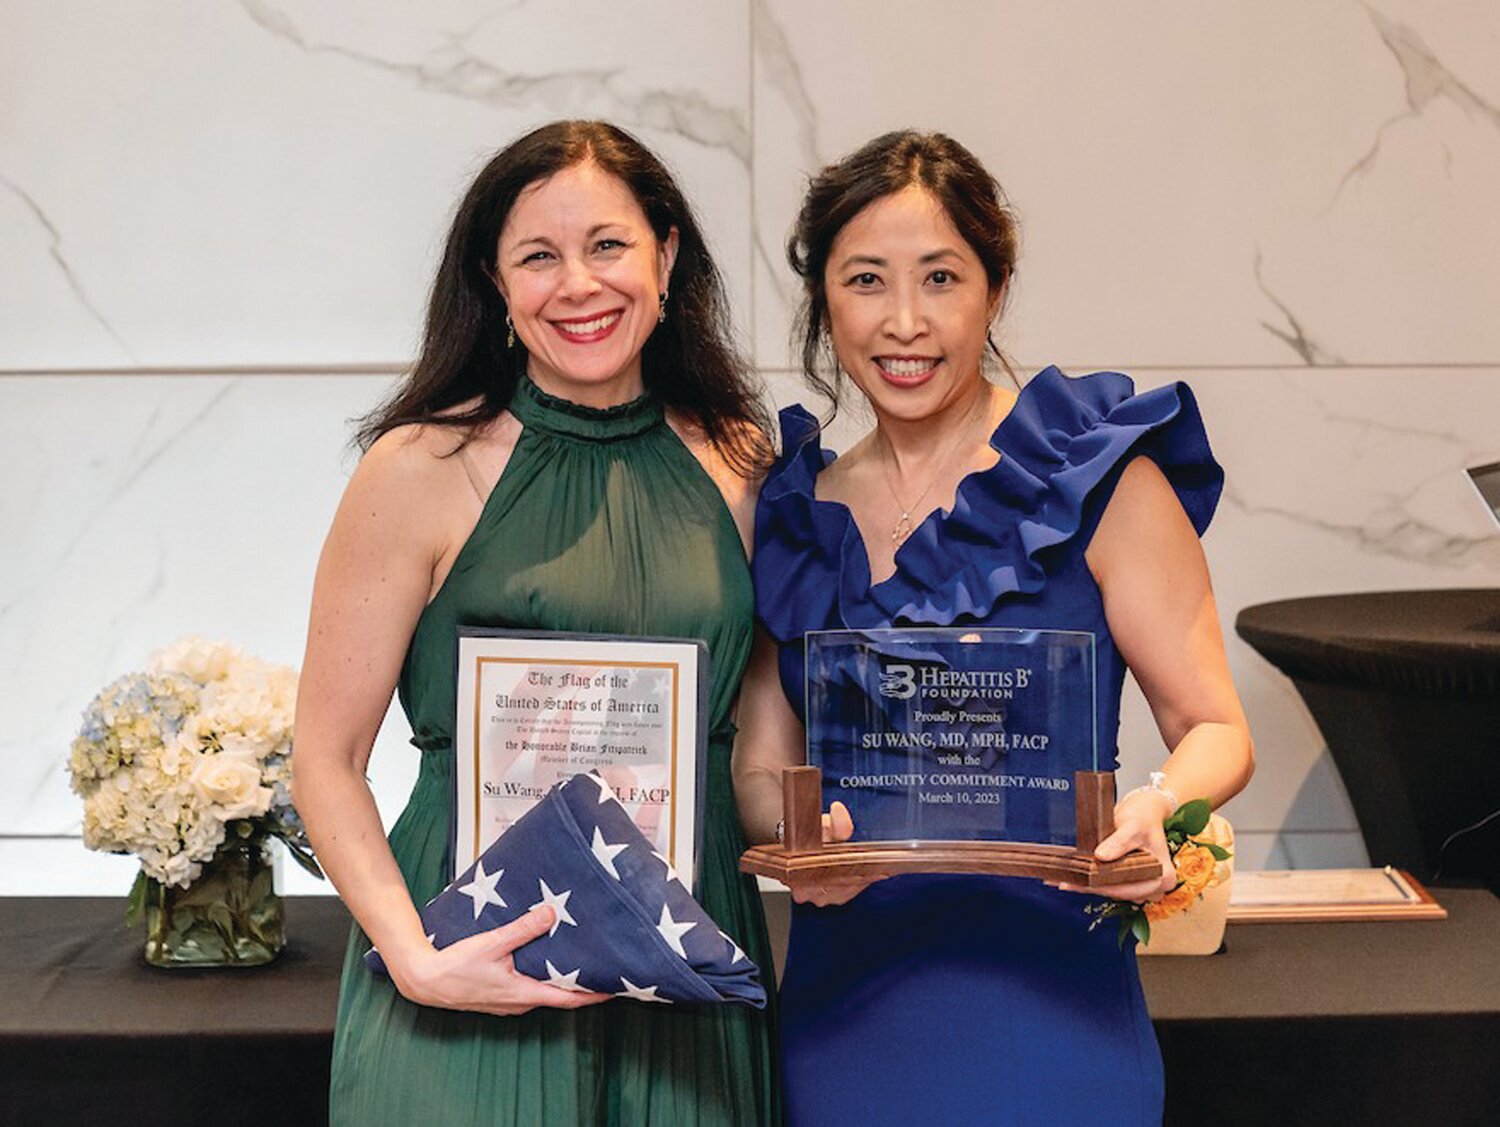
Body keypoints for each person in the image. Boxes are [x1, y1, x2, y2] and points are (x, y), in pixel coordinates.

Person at [734, 131, 1254, 1125]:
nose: (905, 320)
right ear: (824, 300)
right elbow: (763, 765)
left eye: (941, 277)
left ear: (995, 288)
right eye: (866, 280)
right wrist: (798, 837)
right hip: (850, 1017)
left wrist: (1156, 809)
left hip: (1053, 1014)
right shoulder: (794, 517)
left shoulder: (1094, 477)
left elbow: (1218, 726)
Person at [293, 120, 780, 1126]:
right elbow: (324, 757)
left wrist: (852, 836)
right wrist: (414, 957)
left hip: (684, 981)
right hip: (461, 966)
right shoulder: (418, 469)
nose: (578, 284)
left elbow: (760, 761)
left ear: (668, 254)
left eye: (608, 245)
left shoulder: (741, 464)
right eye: (538, 256)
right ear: (497, 285)